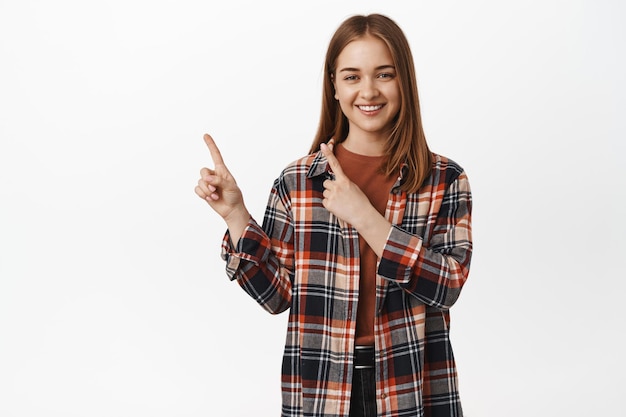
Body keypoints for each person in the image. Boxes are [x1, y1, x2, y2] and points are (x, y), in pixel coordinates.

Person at [195, 13, 473, 417]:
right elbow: (276, 298)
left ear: (404, 82)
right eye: (352, 76)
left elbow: (447, 286)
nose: (368, 91)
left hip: (412, 387)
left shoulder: (444, 179)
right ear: (335, 86)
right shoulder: (298, 181)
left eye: (384, 74)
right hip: (323, 390)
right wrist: (236, 216)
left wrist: (367, 218)